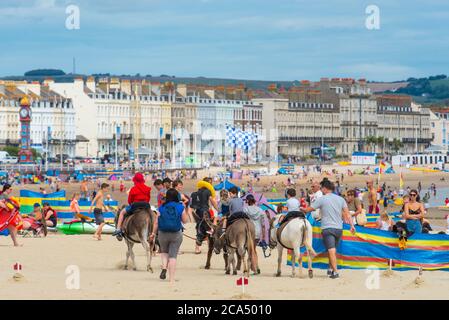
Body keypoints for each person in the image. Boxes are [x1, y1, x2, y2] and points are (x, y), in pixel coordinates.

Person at [301, 179, 355, 279]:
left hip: (327, 228)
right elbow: (347, 214)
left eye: (321, 188)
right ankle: (330, 269)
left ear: (325, 189)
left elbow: (309, 209)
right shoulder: (341, 199)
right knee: (333, 250)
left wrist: (303, 209)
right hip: (339, 228)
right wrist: (352, 226)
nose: (321, 190)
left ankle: (335, 272)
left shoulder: (322, 199)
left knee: (331, 250)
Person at [155, 188, 189, 283]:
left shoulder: (161, 207)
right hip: (176, 234)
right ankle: (171, 279)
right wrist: (184, 207)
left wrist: (153, 233)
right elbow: (185, 221)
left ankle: (164, 267)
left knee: (164, 252)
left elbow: (156, 223)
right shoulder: (180, 206)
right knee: (173, 256)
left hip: (162, 233)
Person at [113, 173, 151, 239]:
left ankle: (118, 229)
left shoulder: (133, 189)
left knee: (122, 213)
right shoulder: (147, 188)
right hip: (146, 205)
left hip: (136, 205)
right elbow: (148, 198)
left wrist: (132, 204)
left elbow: (130, 200)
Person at [190, 177, 218, 254]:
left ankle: (197, 248)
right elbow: (212, 202)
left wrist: (192, 216)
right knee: (209, 229)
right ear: (207, 183)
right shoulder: (207, 191)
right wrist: (218, 209)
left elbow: (192, 207)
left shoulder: (195, 193)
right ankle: (211, 248)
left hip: (198, 213)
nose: (211, 184)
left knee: (199, 228)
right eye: (210, 183)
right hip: (206, 212)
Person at [244, 194, 264, 274]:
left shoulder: (246, 210)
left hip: (249, 231)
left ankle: (254, 268)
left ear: (248, 201)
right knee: (254, 249)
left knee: (250, 250)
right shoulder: (260, 210)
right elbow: (263, 223)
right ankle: (256, 266)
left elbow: (244, 220)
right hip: (258, 231)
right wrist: (263, 234)